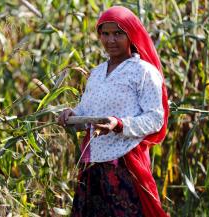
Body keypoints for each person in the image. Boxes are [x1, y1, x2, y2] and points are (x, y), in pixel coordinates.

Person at [58, 6, 169, 217]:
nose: (111, 40)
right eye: (105, 34)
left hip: (124, 162)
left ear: (131, 34)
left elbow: (155, 118)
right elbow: (87, 112)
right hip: (94, 163)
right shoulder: (97, 73)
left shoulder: (143, 72)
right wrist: (71, 115)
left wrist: (119, 124)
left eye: (118, 33)